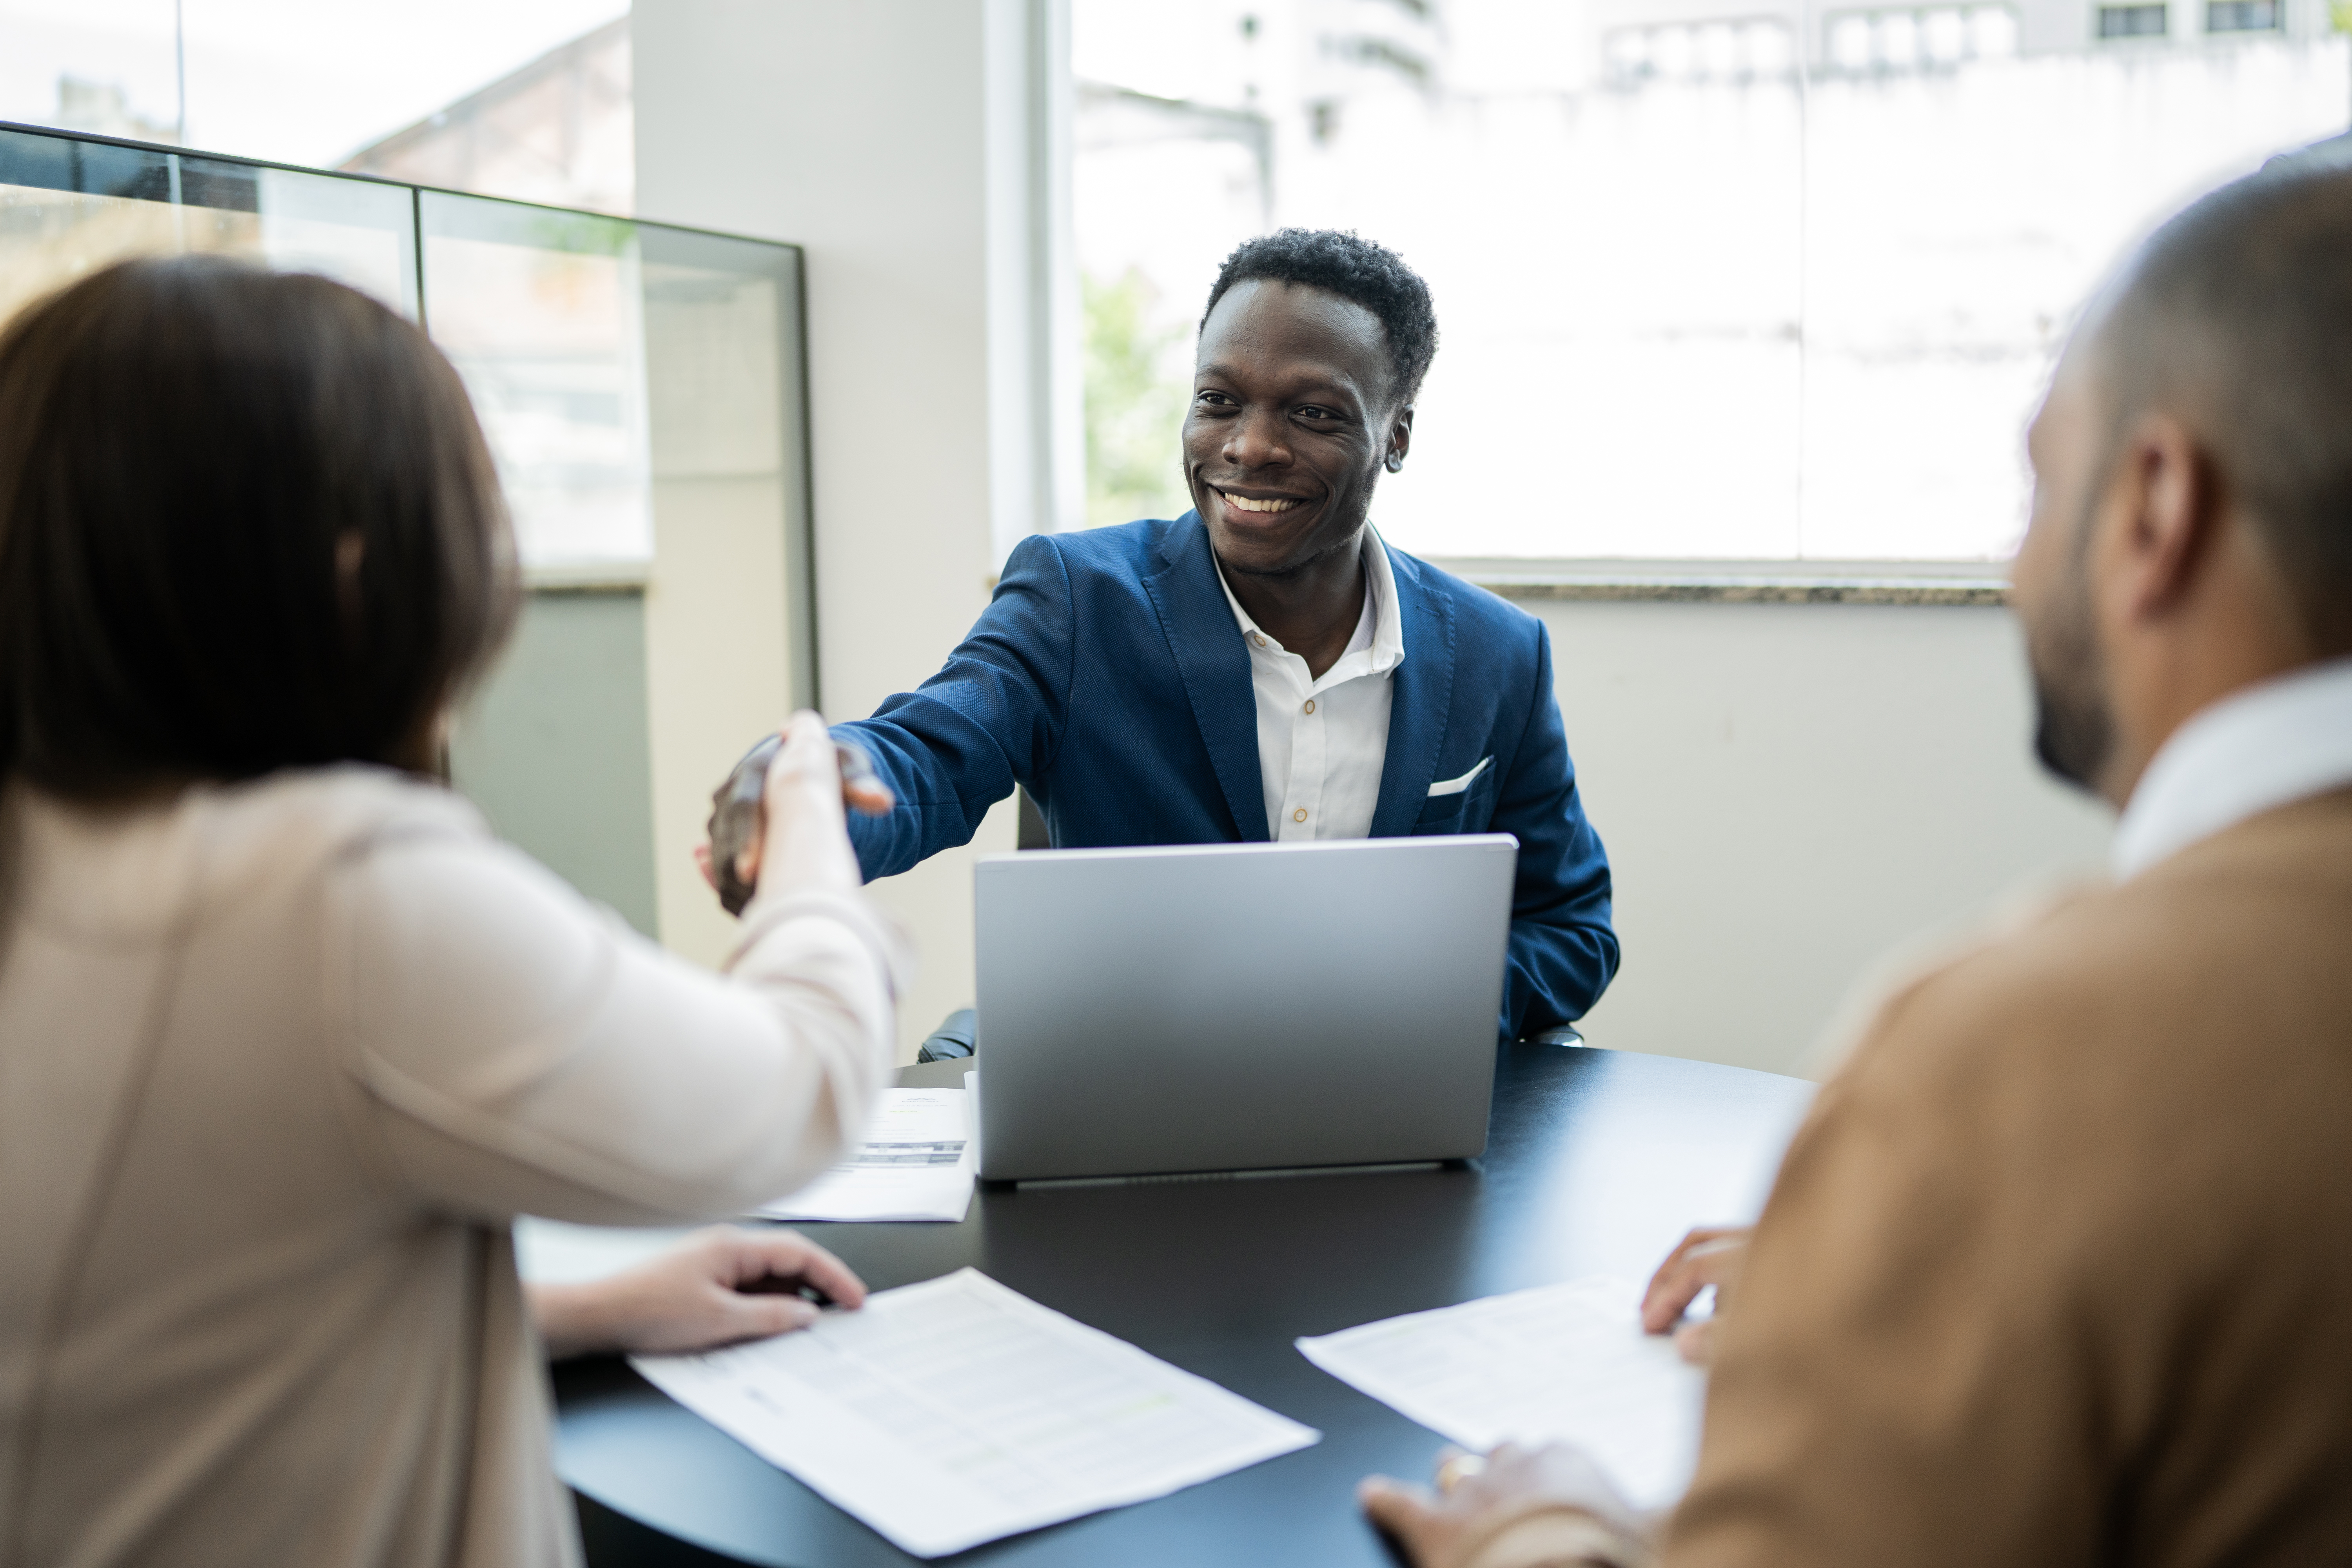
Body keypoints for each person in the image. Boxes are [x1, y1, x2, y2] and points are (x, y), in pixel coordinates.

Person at [1357, 147, 2352, 1564]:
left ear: (2151, 510)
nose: (2018, 568)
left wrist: (1558, 1532)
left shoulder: (2015, 1065)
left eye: (2036, 487)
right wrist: (1954, 1272)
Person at [0, 257, 906, 1568]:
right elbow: (802, 1089)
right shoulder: (330, 888)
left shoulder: (54, 855)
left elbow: (162, 1321)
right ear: (358, 569)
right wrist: (806, 805)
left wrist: (565, 1310)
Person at [830, 229, 1617, 1042]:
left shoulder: (1498, 654)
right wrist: (816, 790)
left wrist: (1416, 1003)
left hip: (1385, 1106)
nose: (1249, 446)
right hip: (1128, 1093)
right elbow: (925, 754)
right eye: (1219, 401)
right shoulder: (1077, 600)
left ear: (1398, 434)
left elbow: (1571, 925)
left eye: (1312, 412)